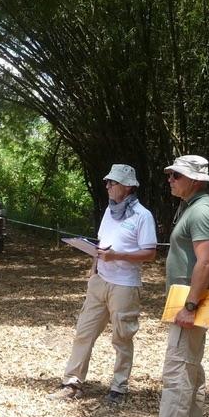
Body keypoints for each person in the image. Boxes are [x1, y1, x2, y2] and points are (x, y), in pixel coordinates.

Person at [131, 155, 209, 417]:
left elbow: (206, 263)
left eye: (175, 175)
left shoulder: (201, 212)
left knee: (177, 377)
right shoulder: (194, 208)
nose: (170, 179)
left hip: (191, 304)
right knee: (191, 375)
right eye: (170, 174)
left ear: (194, 180)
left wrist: (189, 306)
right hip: (189, 302)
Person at [52, 164, 157, 404]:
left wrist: (118, 256)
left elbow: (149, 253)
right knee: (84, 332)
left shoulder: (142, 215)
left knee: (122, 337)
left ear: (128, 187)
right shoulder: (109, 211)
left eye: (113, 182)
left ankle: (119, 387)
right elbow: (101, 245)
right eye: (107, 182)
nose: (108, 186)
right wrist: (93, 273)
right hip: (100, 281)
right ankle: (72, 383)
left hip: (125, 286)